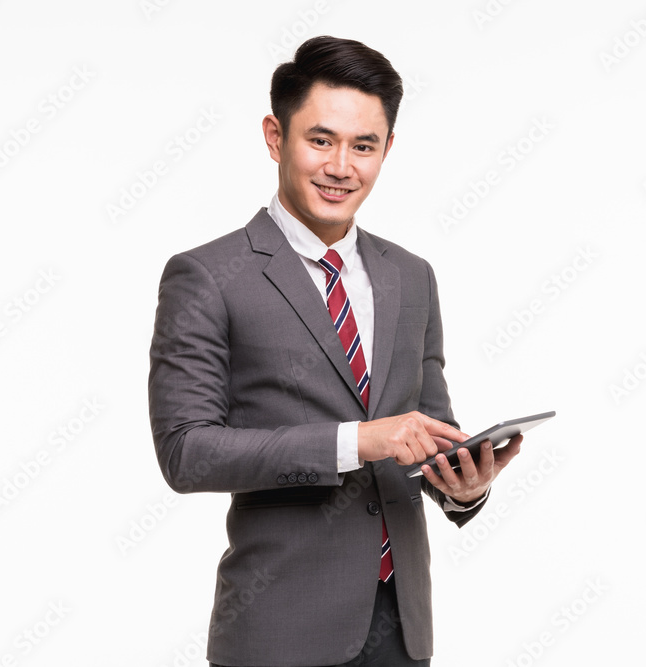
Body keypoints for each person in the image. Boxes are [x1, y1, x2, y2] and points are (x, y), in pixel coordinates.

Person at [148, 35, 522, 667]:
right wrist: (358, 440)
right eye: (320, 139)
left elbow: (426, 428)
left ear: (387, 152)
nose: (341, 165)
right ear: (275, 136)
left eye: (364, 146)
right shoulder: (207, 276)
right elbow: (187, 453)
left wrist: (463, 484)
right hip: (278, 632)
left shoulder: (411, 275)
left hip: (401, 630)